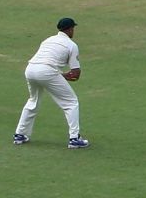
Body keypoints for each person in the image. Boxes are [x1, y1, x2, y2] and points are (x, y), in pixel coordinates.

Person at [13, 17, 89, 148]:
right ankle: (74, 138)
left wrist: (59, 76)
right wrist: (63, 76)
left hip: (30, 69)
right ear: (70, 29)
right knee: (71, 102)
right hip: (47, 71)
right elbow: (75, 74)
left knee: (33, 101)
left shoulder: (48, 40)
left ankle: (20, 134)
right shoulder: (71, 45)